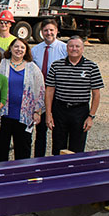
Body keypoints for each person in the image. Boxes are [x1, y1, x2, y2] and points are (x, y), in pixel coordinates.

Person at [45, 36, 103, 155]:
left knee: (77, 148)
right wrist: (49, 114)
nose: (74, 49)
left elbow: (96, 94)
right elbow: (49, 91)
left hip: (80, 112)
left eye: (77, 46)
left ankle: (74, 171)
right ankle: (57, 171)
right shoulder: (56, 66)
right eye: (71, 46)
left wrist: (91, 116)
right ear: (67, 48)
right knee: (57, 147)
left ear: (82, 49)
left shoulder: (92, 67)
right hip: (60, 110)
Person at [0, 38, 45, 161]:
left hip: (24, 116)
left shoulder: (32, 67)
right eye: (16, 47)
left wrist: (37, 111)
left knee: (23, 149)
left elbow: (40, 89)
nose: (19, 49)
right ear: (10, 48)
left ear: (26, 50)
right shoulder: (2, 64)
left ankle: (22, 174)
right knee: (1, 148)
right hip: (3, 115)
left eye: (22, 47)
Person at [30, 18, 68, 157]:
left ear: (56, 31)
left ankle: (56, 159)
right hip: (41, 94)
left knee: (57, 130)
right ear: (41, 32)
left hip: (58, 95)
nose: (49, 33)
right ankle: (39, 160)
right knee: (40, 131)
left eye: (51, 30)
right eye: (46, 30)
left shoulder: (64, 49)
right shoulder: (35, 50)